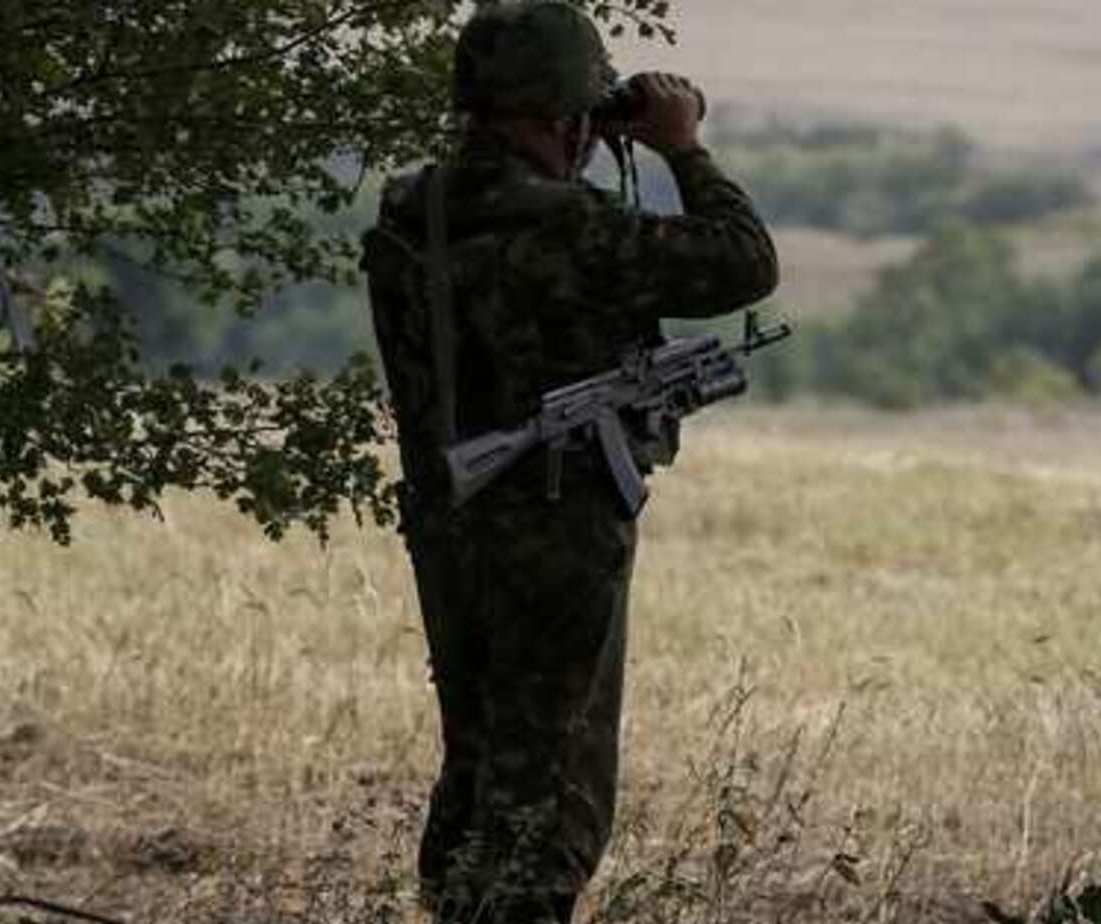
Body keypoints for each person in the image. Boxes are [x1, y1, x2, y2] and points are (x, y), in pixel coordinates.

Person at [357, 2, 779, 921]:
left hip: (449, 523)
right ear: (565, 116)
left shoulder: (413, 212)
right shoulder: (567, 223)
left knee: (478, 760)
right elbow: (744, 263)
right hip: (553, 532)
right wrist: (681, 148)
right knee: (552, 789)